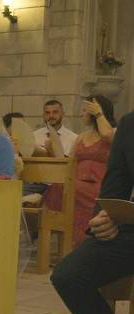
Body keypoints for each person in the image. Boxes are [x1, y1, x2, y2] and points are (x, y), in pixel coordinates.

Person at [51, 111, 134, 314]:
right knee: (68, 275)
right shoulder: (130, 123)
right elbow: (116, 184)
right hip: (130, 229)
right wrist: (104, 217)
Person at [41, 94, 116, 247]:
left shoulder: (113, 132)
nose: (81, 114)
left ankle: (79, 242)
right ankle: (54, 237)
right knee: (56, 187)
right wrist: (51, 151)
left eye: (85, 110)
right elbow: (70, 162)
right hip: (76, 180)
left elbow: (107, 135)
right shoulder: (81, 136)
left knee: (69, 189)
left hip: (99, 183)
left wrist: (98, 113)